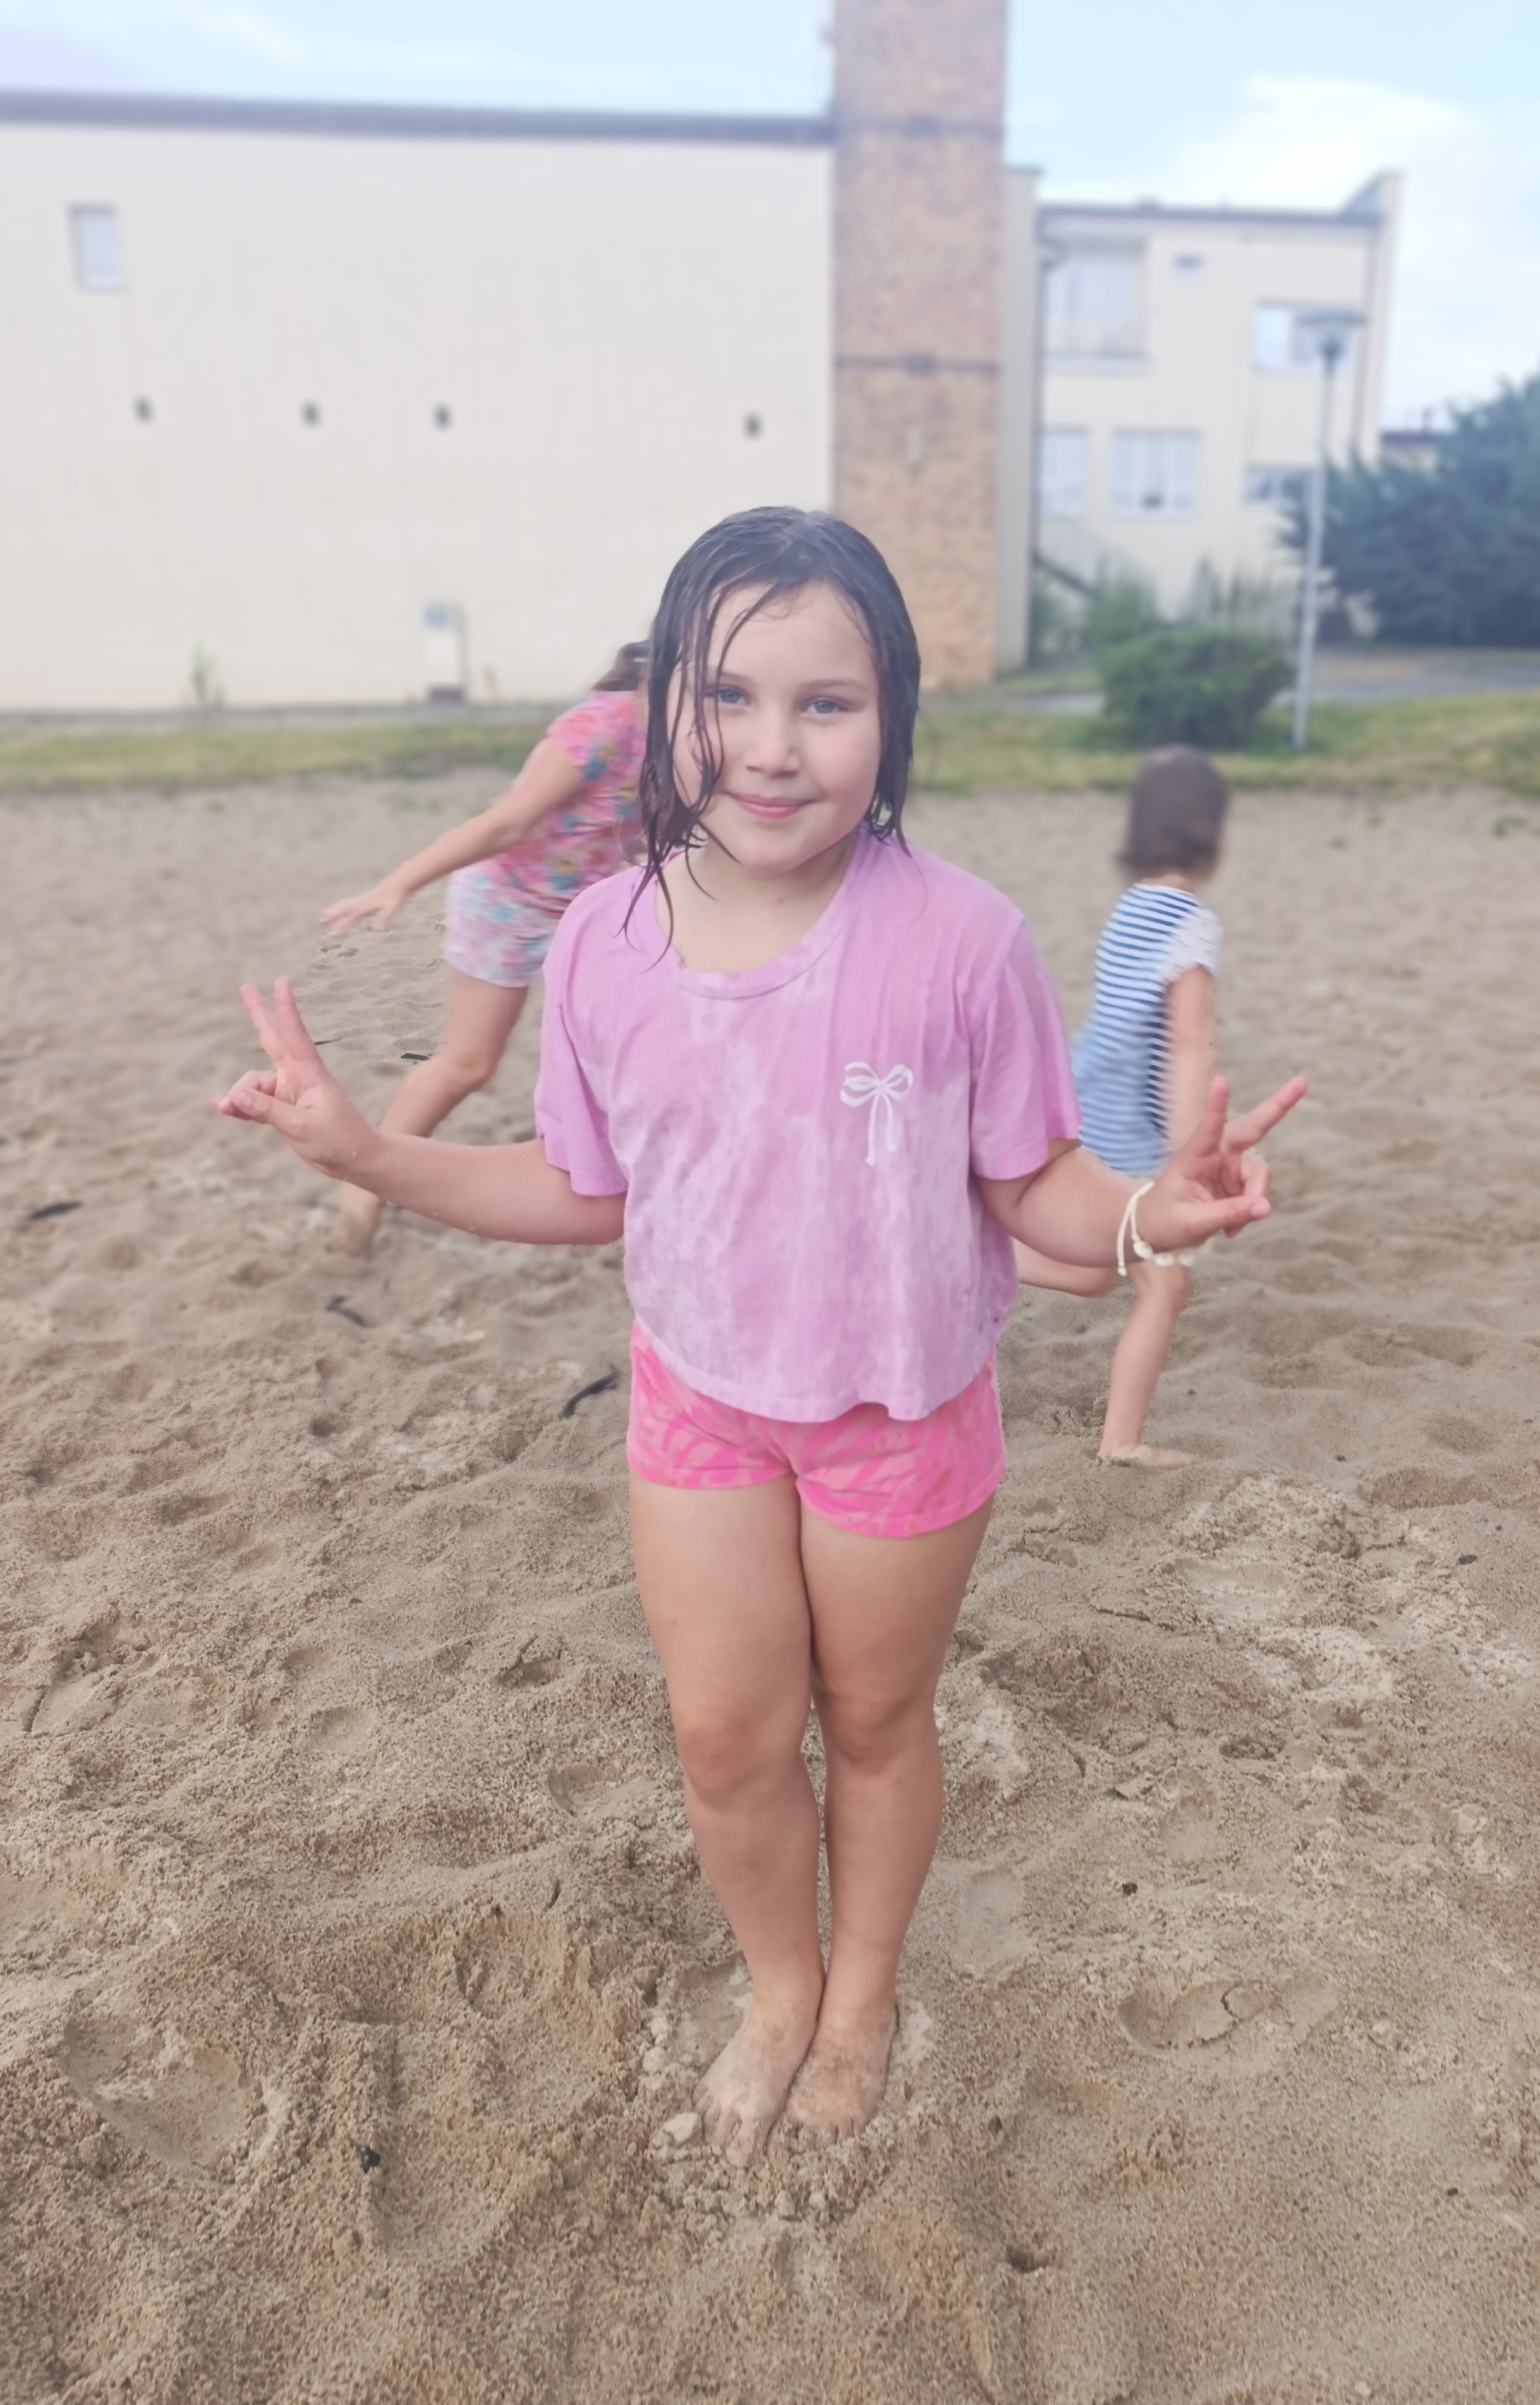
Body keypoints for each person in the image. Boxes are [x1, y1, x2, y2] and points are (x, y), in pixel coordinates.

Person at [215, 508, 1304, 2167]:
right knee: (725, 1739)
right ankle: (782, 1986)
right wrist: (372, 1154)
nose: (772, 747)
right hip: (699, 1407)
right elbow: (584, 1192)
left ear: (893, 721)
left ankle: (861, 1998)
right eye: (726, 695)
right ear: (660, 706)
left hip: (900, 1422)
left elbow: (1036, 1189)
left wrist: (1156, 1207)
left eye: (826, 703)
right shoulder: (602, 940)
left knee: (872, 1725)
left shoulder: (963, 940)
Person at [317, 646, 647, 1256]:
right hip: (505, 904)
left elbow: (635, 830)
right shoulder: (602, 726)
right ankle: (362, 1191)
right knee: (469, 1064)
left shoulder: (692, 741)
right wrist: (399, 883)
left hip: (587, 915)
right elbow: (506, 823)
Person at [1016, 744, 1230, 1467]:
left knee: (1093, 1268)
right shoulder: (1192, 926)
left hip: (1087, 1100)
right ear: (1210, 835)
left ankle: (981, 1251)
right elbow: (1190, 1044)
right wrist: (1191, 1146)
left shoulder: (1132, 908)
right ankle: (1122, 1442)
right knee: (1164, 1284)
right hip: (1128, 1133)